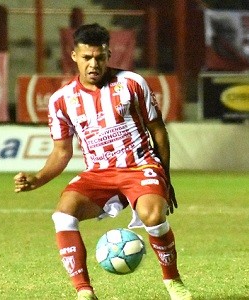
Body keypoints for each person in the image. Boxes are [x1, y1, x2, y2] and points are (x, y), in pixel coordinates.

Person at [13, 23, 192, 300]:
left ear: (108, 55)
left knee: (153, 216)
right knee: (63, 215)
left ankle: (173, 282)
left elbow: (158, 130)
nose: (93, 64)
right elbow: (61, 152)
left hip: (139, 166)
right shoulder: (62, 100)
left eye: (100, 57)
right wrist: (37, 178)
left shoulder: (132, 83)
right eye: (87, 58)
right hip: (98, 173)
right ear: (74, 56)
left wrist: (165, 179)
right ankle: (84, 291)